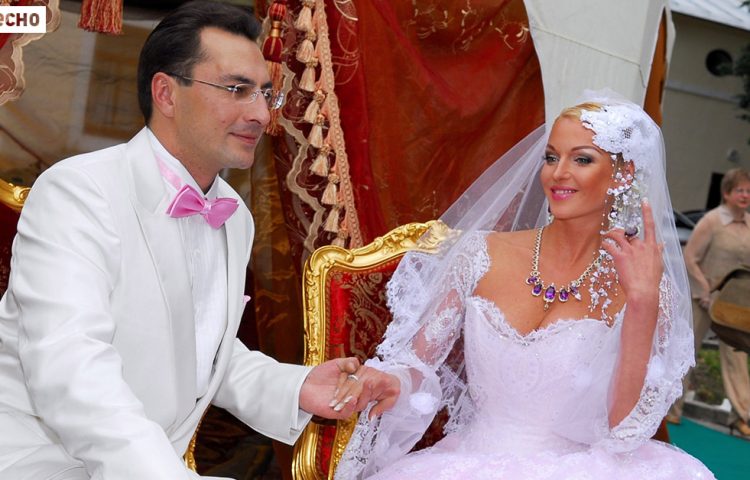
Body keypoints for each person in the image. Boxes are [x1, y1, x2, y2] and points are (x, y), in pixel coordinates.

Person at [0, 2, 398, 479]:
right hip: (43, 463)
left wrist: (296, 387)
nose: (260, 114)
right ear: (166, 94)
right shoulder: (79, 193)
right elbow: (70, 368)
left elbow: (200, 351)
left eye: (265, 94)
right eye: (236, 90)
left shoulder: (233, 215)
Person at [329, 92, 715, 479]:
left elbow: (624, 433)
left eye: (581, 159)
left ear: (623, 174)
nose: (558, 173)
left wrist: (643, 302)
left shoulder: (646, 287)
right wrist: (389, 380)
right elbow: (415, 366)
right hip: (468, 463)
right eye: (551, 157)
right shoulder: (478, 255)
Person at [667, 168, 750, 435]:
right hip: (702, 298)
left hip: (734, 304)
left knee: (737, 357)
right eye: (739, 190)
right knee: (685, 353)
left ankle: (742, 417)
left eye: (748, 191)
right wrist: (704, 290)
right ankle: (671, 410)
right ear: (726, 193)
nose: (745, 195)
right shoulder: (712, 221)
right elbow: (690, 258)